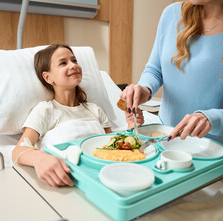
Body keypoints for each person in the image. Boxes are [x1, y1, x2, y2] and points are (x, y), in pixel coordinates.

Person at [121, 0, 223, 145]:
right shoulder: (171, 14)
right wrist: (145, 89)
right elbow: (155, 69)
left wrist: (210, 118)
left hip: (207, 149)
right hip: (162, 141)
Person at [12, 44, 144, 187]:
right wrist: (39, 159)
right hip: (68, 179)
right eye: (63, 63)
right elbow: (19, 151)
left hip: (104, 176)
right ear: (48, 77)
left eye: (74, 61)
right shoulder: (45, 110)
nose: (73, 65)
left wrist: (132, 126)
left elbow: (113, 146)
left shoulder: (94, 110)